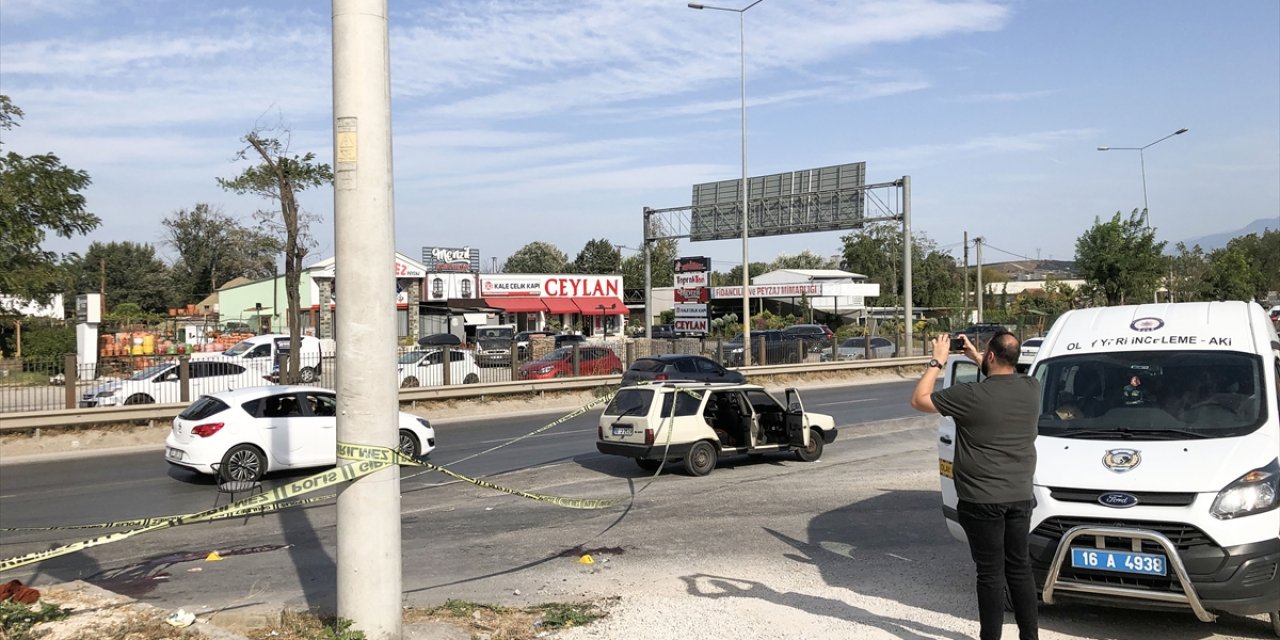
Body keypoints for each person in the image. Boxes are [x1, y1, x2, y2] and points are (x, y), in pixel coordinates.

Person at [911, 331, 1040, 640]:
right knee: (1020, 569)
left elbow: (919, 400)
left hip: (981, 500)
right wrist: (975, 356)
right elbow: (1001, 373)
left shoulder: (970, 395)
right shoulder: (1031, 388)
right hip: (1020, 496)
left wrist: (938, 360)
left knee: (991, 574)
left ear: (991, 357)